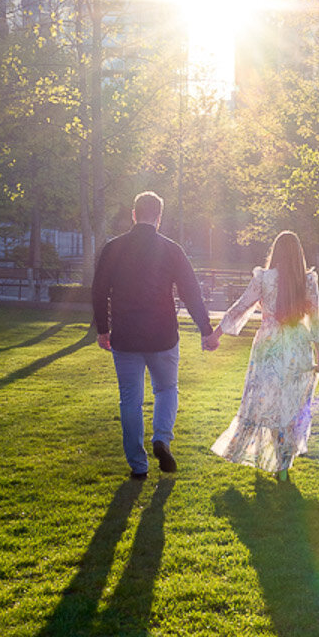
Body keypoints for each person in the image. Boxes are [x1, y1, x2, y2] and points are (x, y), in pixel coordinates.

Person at [92, 191, 219, 479]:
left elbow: (99, 291)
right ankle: (161, 438)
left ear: (134, 214)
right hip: (162, 335)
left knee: (130, 401)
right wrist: (205, 329)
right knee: (166, 389)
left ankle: (138, 464)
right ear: (159, 218)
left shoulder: (113, 248)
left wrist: (103, 329)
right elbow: (190, 291)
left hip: (125, 336)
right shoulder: (171, 249)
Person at [210, 231, 319, 481]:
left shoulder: (264, 278)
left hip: (269, 345)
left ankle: (271, 457)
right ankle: (283, 463)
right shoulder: (307, 280)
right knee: (290, 404)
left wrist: (217, 333)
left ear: (275, 252)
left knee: (267, 402)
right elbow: (316, 318)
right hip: (297, 345)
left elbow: (242, 306)